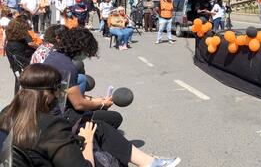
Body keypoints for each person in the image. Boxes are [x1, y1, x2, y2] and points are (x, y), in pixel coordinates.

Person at [0, 64, 181, 167]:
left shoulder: (6, 114)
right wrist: (85, 141)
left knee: (98, 128)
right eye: (58, 90)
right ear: (49, 93)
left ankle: (149, 163)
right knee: (99, 144)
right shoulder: (51, 127)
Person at [43, 27, 122, 129]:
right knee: (115, 118)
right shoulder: (68, 67)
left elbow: (65, 93)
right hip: (58, 117)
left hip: (49, 109)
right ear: (81, 49)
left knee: (95, 108)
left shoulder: (54, 55)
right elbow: (78, 104)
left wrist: (95, 100)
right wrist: (101, 104)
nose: (86, 56)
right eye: (87, 53)